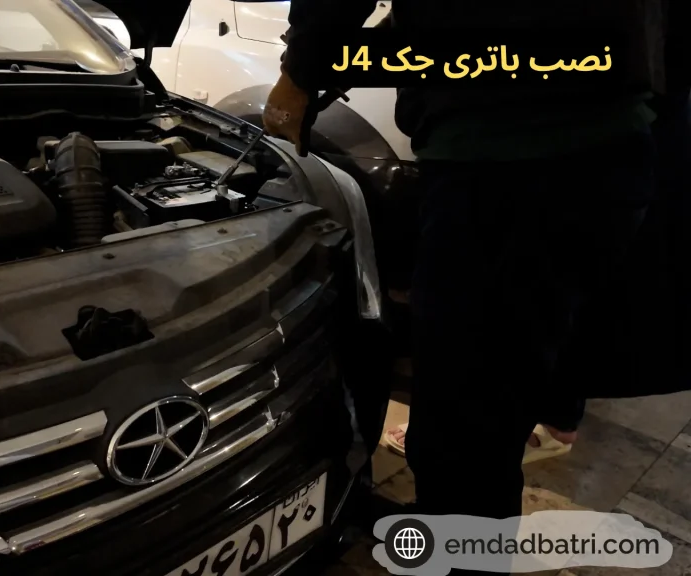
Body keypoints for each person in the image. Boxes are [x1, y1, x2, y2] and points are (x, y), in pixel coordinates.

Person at [263, 0, 665, 532]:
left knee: (463, 422)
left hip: (509, 164)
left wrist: (298, 75)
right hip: (606, 144)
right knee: (500, 393)